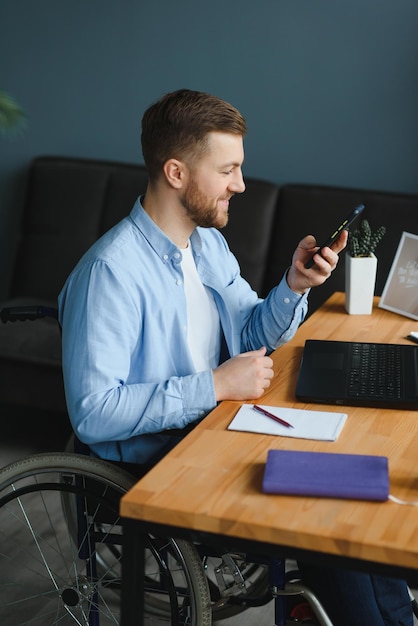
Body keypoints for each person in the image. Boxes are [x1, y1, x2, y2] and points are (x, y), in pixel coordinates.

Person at [58, 89, 412, 626]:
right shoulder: (110, 272)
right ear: (176, 172)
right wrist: (215, 386)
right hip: (159, 460)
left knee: (347, 482)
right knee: (316, 507)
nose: (241, 185)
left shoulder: (206, 245)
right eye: (228, 169)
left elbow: (252, 331)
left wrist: (294, 286)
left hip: (219, 428)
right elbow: (94, 412)